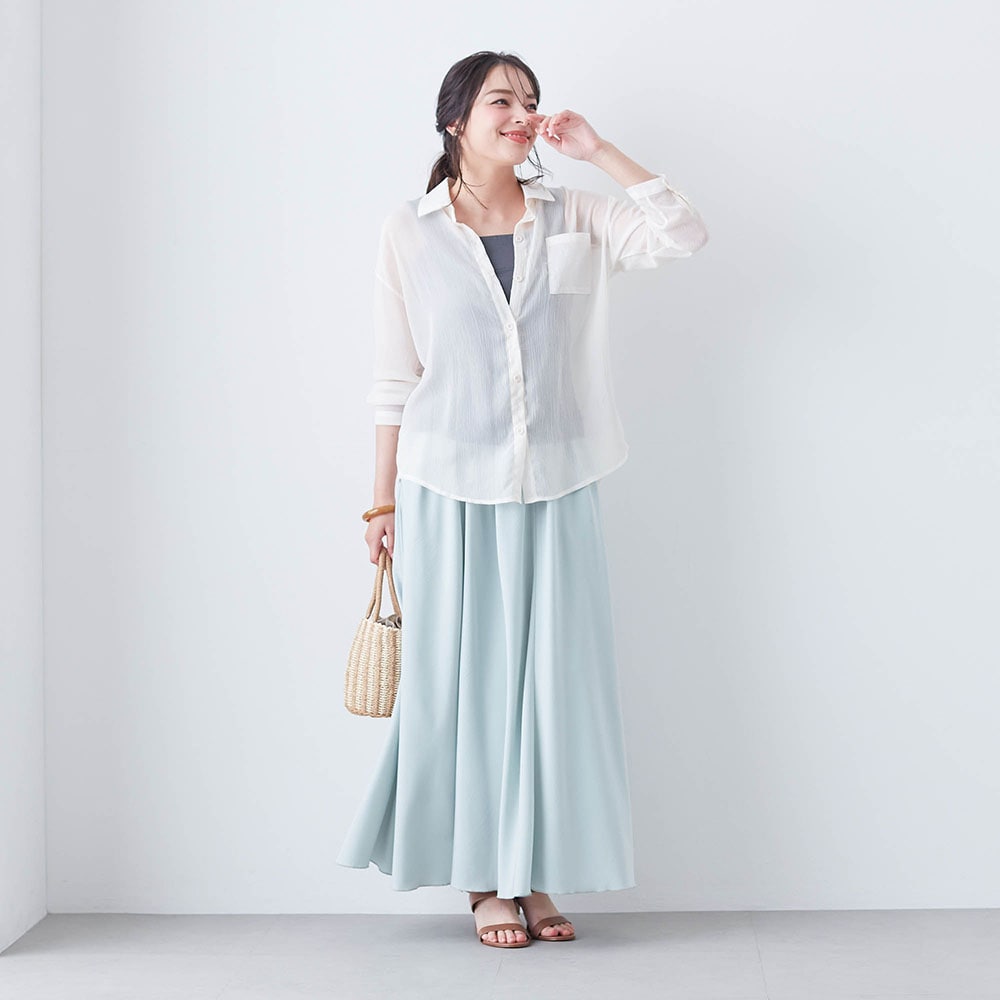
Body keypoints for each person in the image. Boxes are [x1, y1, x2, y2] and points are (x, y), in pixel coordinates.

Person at [336, 50, 709, 948]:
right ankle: (483, 881)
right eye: (501, 99)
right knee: (463, 686)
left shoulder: (574, 213)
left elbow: (684, 234)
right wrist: (380, 507)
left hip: (558, 483)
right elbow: (394, 378)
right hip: (447, 488)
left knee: (554, 684)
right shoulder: (411, 231)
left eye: (530, 100)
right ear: (456, 119)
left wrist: (598, 150)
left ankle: (534, 875)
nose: (521, 113)